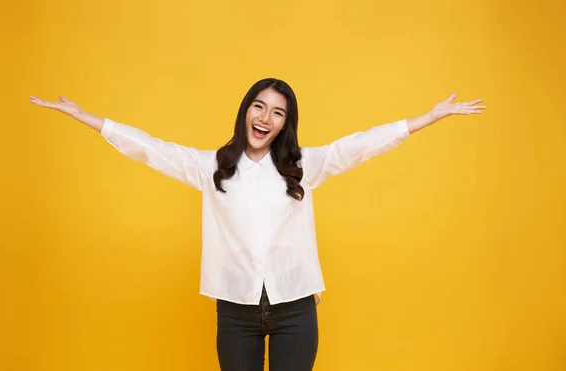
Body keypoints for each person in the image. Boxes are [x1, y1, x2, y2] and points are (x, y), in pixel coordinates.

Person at [30, 78, 485, 371]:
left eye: (278, 112)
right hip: (235, 312)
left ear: (285, 124)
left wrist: (426, 118)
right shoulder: (210, 168)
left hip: (295, 311)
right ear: (245, 110)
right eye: (259, 107)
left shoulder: (304, 166)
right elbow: (150, 148)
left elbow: (359, 146)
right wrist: (87, 118)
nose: (265, 118)